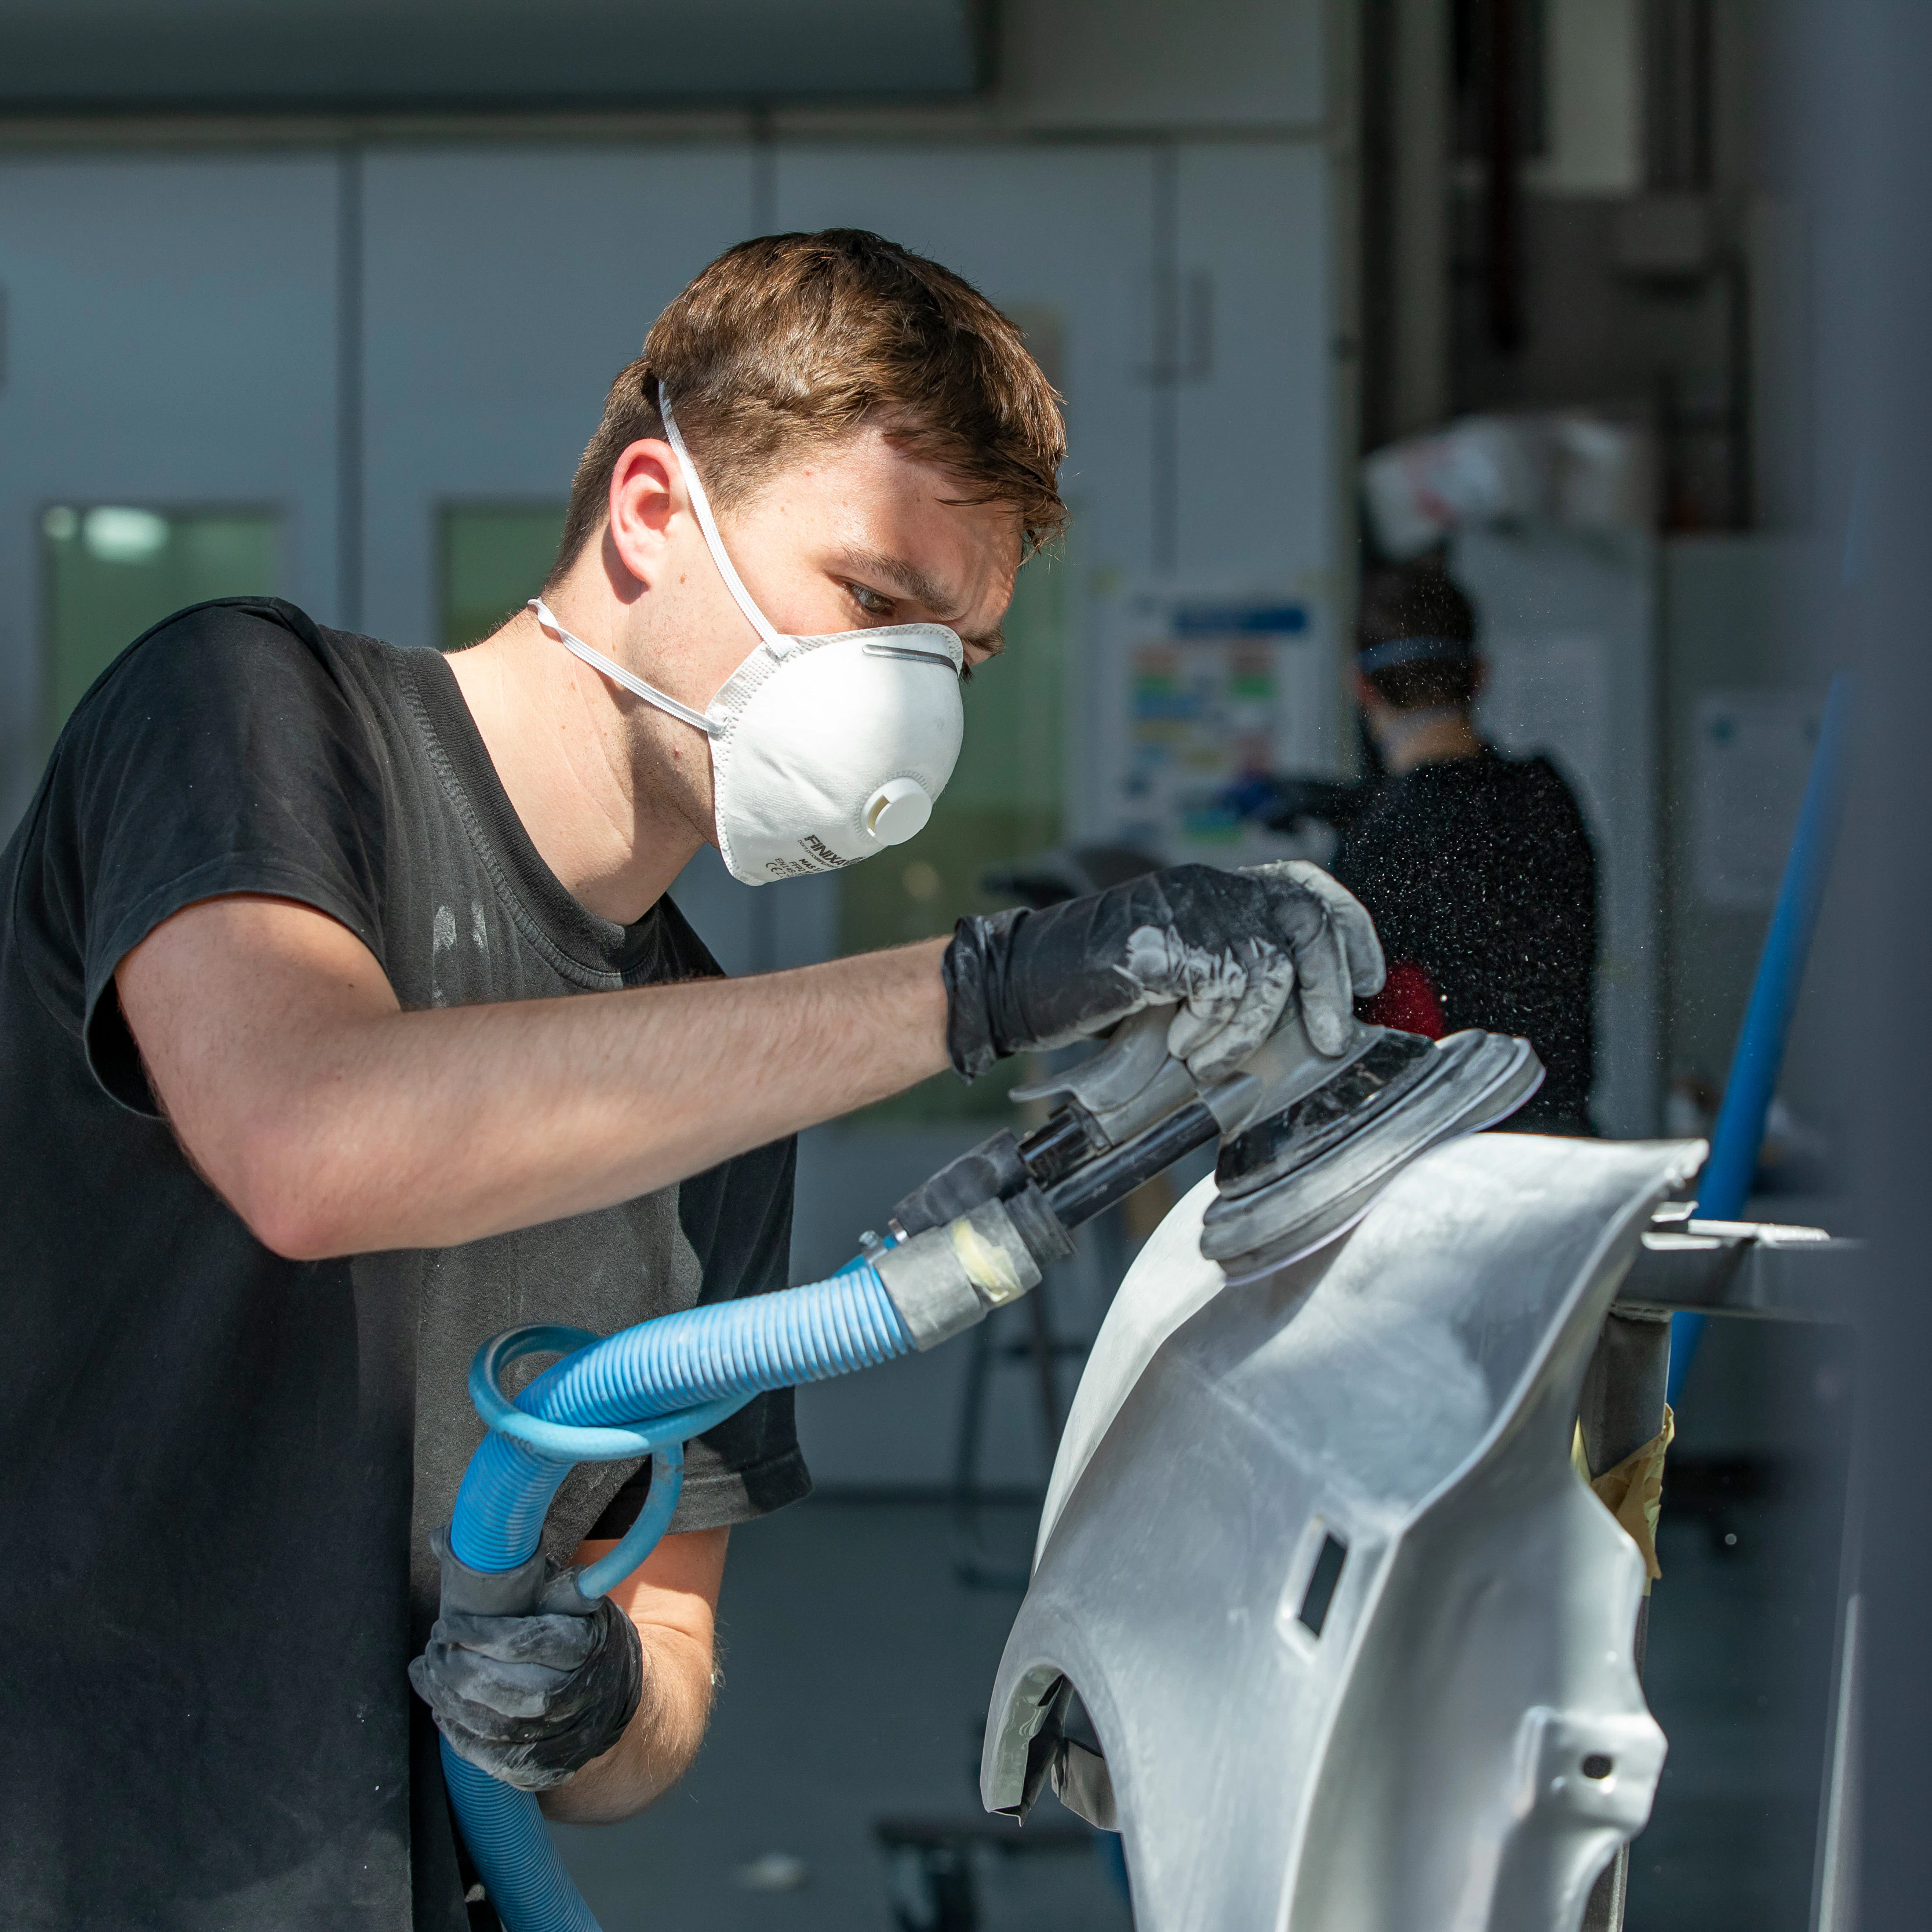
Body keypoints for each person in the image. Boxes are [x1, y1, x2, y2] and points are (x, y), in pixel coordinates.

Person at [0, 229, 1384, 1930]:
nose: (914, 699)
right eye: (877, 602)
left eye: (962, 654)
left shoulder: (709, 1078)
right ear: (655, 511)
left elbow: (665, 1648)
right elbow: (311, 1138)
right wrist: (985, 986)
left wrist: (593, 1705)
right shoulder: (246, 716)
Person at [1328, 559, 1598, 1131]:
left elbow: (1339, 1024)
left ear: (1360, 687)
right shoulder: (1549, 799)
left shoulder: (1380, 844)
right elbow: (1467, 815)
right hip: (1565, 1145)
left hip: (1452, 1162)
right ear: (1478, 675)